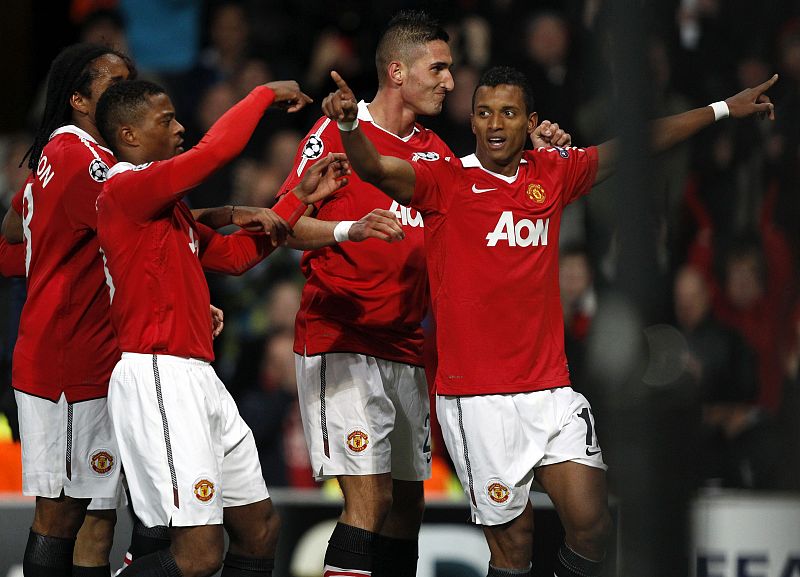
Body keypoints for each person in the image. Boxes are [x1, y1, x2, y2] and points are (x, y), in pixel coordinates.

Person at [321, 66, 777, 577]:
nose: (496, 123)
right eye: (485, 112)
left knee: (594, 527)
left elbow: (635, 144)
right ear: (471, 121)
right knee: (514, 552)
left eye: (509, 113)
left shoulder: (551, 173)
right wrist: (349, 128)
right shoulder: (447, 182)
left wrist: (721, 109)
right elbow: (378, 170)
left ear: (529, 121)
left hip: (551, 392)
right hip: (477, 401)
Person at [279, 12, 569, 577]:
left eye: (451, 70)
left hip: (406, 344)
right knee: (369, 501)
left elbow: (491, 193)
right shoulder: (335, 133)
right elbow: (283, 226)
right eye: (437, 69)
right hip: (341, 338)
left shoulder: (438, 150)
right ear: (397, 71)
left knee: (408, 507)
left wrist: (540, 150)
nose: (450, 82)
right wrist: (348, 229)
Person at [92, 77, 349, 577]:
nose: (180, 126)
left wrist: (297, 199)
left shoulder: (166, 212)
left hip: (200, 377)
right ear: (128, 135)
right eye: (166, 120)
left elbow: (233, 257)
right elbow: (216, 152)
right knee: (198, 554)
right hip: (159, 375)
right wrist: (262, 95)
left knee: (259, 530)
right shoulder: (126, 188)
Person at [0, 43, 134, 577]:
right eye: (112, 83)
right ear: (78, 99)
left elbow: (13, 233)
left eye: (130, 80)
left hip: (99, 357)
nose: (125, 91)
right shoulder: (81, 157)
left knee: (99, 516)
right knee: (61, 513)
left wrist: (42, 242)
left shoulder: (66, 156)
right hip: (66, 362)